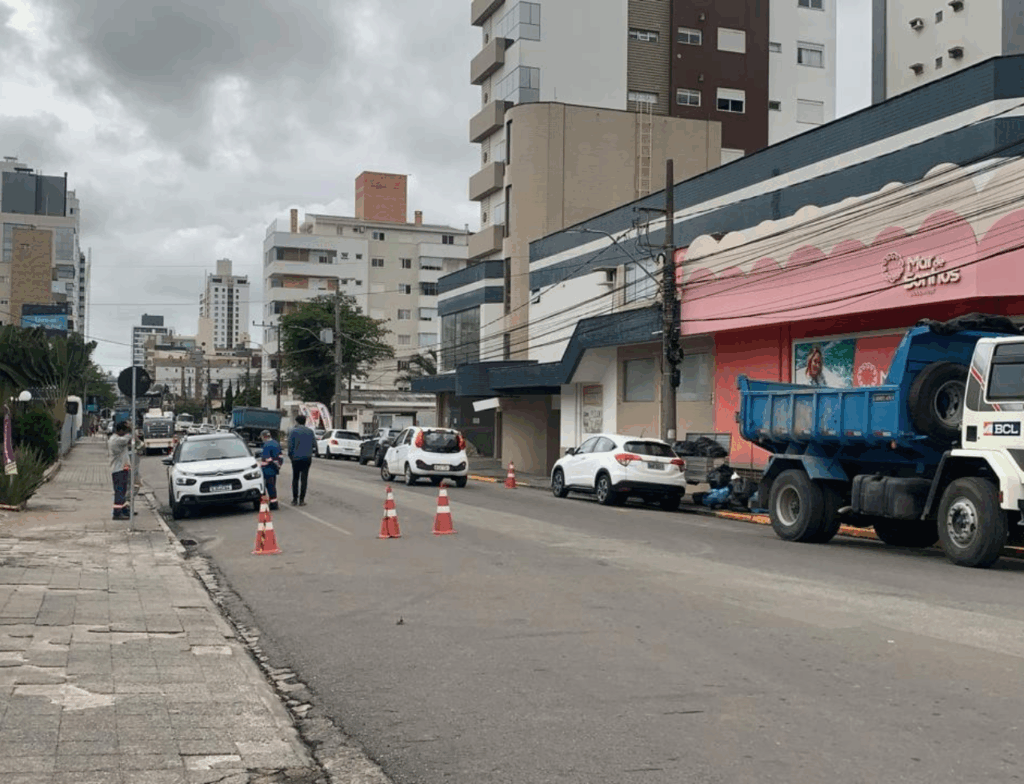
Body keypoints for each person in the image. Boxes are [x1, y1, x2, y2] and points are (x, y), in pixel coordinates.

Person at [107, 421, 139, 520]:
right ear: (120, 431)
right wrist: (131, 428)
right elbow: (129, 437)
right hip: (118, 469)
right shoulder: (116, 440)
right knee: (119, 491)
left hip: (122, 468)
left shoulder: (117, 439)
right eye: (124, 431)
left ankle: (124, 510)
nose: (125, 433)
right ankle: (117, 513)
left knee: (123, 491)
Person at [287, 414, 315, 506]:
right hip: (307, 458)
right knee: (304, 479)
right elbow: (314, 444)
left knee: (295, 478)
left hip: (296, 458)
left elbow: (290, 446)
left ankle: (295, 499)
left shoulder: (293, 431)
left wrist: (291, 456)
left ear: (297, 422)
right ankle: (302, 500)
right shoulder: (310, 432)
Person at [259, 429, 283, 510]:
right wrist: (278, 465)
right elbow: (280, 457)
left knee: (268, 486)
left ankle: (272, 504)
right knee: (273, 486)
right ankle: (274, 502)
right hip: (274, 469)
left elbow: (266, 457)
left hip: (267, 469)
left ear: (264, 436)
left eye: (262, 437)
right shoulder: (276, 443)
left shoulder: (266, 445)